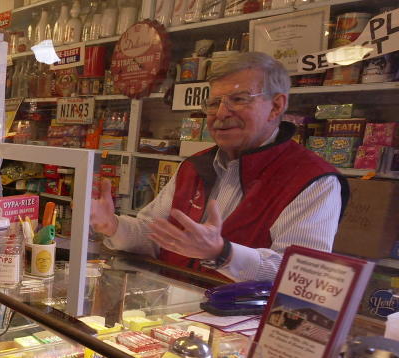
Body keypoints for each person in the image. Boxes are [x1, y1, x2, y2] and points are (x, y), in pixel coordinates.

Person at [91, 52, 347, 282]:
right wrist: (111, 225)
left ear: (276, 106)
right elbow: (153, 234)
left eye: (238, 99)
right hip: (171, 317)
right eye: (213, 103)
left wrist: (221, 253)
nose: (221, 113)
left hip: (242, 326)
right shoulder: (194, 166)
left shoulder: (313, 180)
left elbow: (300, 276)